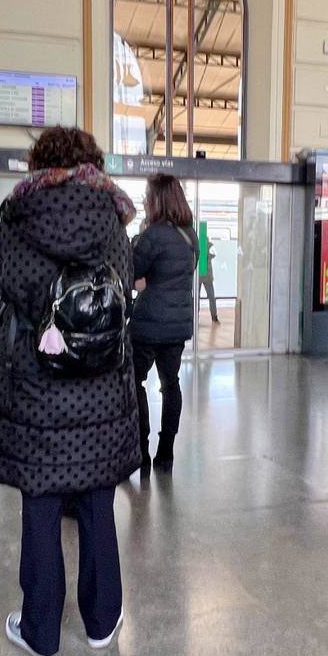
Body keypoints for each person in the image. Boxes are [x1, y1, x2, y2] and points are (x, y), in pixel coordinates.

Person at [0, 126, 139, 656]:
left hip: (36, 386)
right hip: (99, 387)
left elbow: (9, 285)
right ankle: (102, 622)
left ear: (39, 163)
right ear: (92, 162)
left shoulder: (18, 217)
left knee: (41, 509)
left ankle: (40, 631)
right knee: (98, 504)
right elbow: (122, 285)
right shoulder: (111, 217)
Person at [130, 174, 199, 472]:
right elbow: (184, 273)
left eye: (147, 196)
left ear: (157, 199)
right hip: (177, 326)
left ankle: (142, 453)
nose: (145, 201)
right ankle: (166, 454)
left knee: (135, 383)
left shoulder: (153, 235)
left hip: (147, 324)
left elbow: (130, 273)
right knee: (171, 384)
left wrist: (142, 282)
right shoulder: (190, 235)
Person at [200, 239, 219, 324]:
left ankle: (195, 317)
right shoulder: (210, 245)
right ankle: (214, 317)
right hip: (207, 275)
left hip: (199, 276)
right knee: (211, 297)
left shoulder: (196, 244)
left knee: (196, 298)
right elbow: (214, 254)